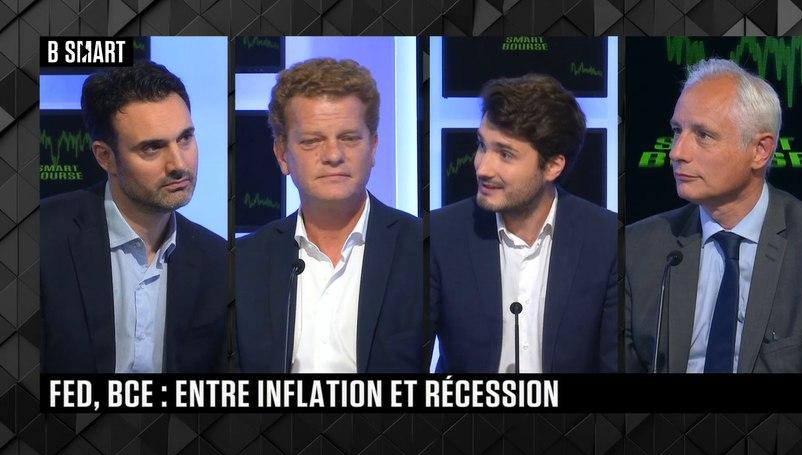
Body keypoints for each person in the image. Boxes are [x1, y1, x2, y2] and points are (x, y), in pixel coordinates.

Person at [236, 58, 423, 373]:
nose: (334, 155)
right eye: (312, 141)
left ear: (373, 147)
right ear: (282, 155)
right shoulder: (243, 262)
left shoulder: (424, 248)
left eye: (349, 138)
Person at [625, 58, 802, 374]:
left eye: (703, 135)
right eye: (677, 131)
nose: (676, 152)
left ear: (760, 151)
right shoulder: (637, 246)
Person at [41, 62, 227, 373]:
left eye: (185, 139)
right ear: (105, 157)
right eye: (153, 148)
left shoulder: (219, 260)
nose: (179, 164)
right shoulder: (41, 238)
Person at [430, 74, 618, 373]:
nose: (483, 167)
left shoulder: (606, 239)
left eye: (505, 154)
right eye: (482, 146)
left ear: (553, 166)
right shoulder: (438, 235)